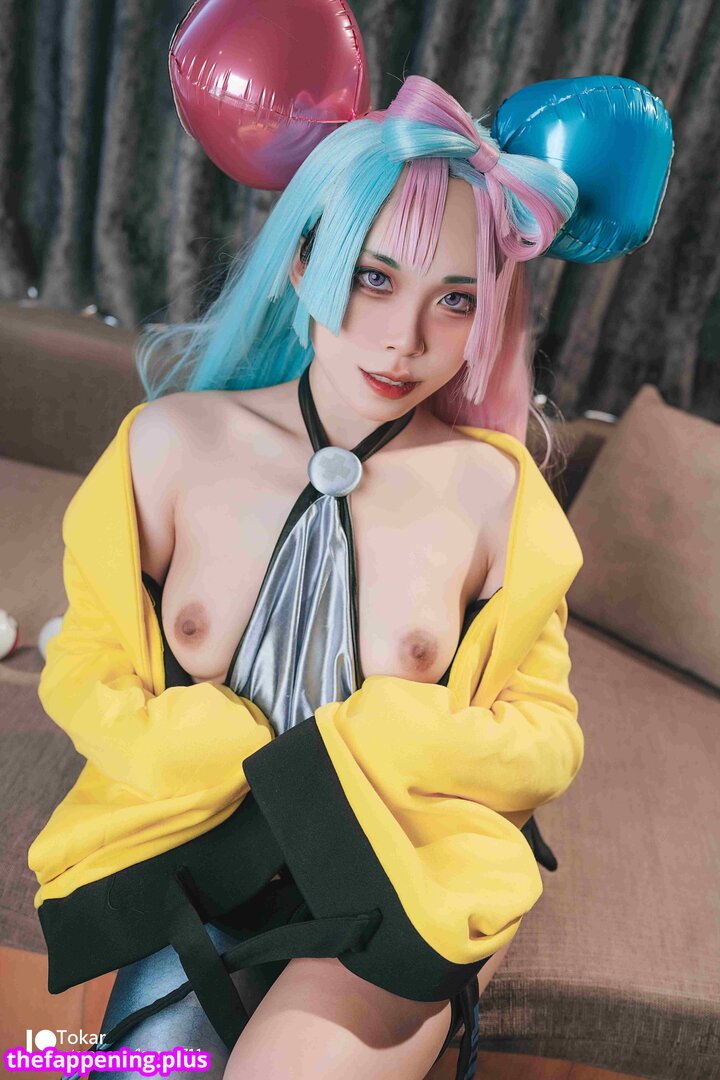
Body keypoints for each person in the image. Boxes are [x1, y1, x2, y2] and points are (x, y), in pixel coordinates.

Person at [28, 75, 584, 1080]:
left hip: (395, 867)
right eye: (374, 278)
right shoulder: (168, 444)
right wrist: (209, 745)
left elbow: (546, 736)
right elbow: (87, 664)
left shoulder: (496, 493)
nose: (405, 339)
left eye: (455, 300)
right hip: (200, 854)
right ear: (302, 260)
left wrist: (379, 734)